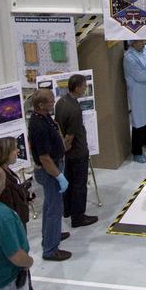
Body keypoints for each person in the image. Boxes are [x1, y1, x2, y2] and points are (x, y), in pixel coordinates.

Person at [0, 137, 44, 290]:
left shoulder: (7, 172)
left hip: (19, 220)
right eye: (14, 150)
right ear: (5, 154)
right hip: (13, 224)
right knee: (18, 256)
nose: (17, 152)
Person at [26, 88, 71, 262]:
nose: (54, 102)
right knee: (54, 209)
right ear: (41, 105)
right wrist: (59, 176)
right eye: (51, 101)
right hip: (49, 171)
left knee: (49, 206)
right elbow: (44, 158)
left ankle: (51, 235)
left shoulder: (43, 118)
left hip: (53, 166)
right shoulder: (39, 127)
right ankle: (51, 249)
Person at [54, 74, 98, 228]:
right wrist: (66, 147)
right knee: (79, 184)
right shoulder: (74, 110)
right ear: (78, 87)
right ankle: (78, 217)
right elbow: (70, 136)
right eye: (84, 86)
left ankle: (67, 210)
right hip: (77, 152)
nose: (86, 88)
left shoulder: (60, 102)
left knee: (69, 181)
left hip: (67, 154)